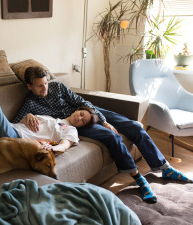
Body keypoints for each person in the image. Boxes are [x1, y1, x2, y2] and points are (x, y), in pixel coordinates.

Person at [12, 66, 192, 204]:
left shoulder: (57, 87)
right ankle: (139, 179)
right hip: (75, 124)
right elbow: (12, 122)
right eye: (39, 86)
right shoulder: (30, 104)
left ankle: (164, 168)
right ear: (29, 86)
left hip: (86, 112)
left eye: (45, 83)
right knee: (112, 137)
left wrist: (103, 120)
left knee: (134, 127)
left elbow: (82, 101)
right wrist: (27, 116)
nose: (45, 88)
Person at [0, 86, 98, 153]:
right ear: (76, 110)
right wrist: (27, 117)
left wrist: (53, 148)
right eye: (81, 114)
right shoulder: (54, 118)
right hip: (12, 126)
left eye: (83, 121)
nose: (79, 118)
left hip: (15, 137)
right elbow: (21, 122)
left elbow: (65, 145)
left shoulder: (71, 130)